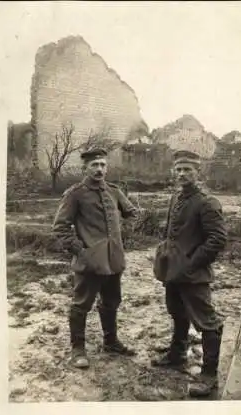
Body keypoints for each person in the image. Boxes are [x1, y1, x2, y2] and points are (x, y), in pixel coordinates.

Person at [53, 145, 139, 369]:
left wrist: (123, 236)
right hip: (90, 263)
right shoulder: (75, 194)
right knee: (81, 304)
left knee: (111, 302)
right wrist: (81, 251)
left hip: (114, 260)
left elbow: (132, 213)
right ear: (85, 168)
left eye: (102, 165)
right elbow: (60, 227)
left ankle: (110, 342)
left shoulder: (113, 190)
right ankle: (78, 349)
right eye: (94, 165)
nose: (99, 169)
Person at [153, 149, 227, 396]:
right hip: (173, 272)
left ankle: (209, 374)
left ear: (199, 172)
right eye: (179, 169)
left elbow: (217, 239)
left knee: (207, 322)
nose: (182, 174)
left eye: (188, 170)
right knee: (177, 313)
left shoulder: (207, 202)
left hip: (193, 275)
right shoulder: (177, 197)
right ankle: (177, 355)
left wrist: (191, 264)